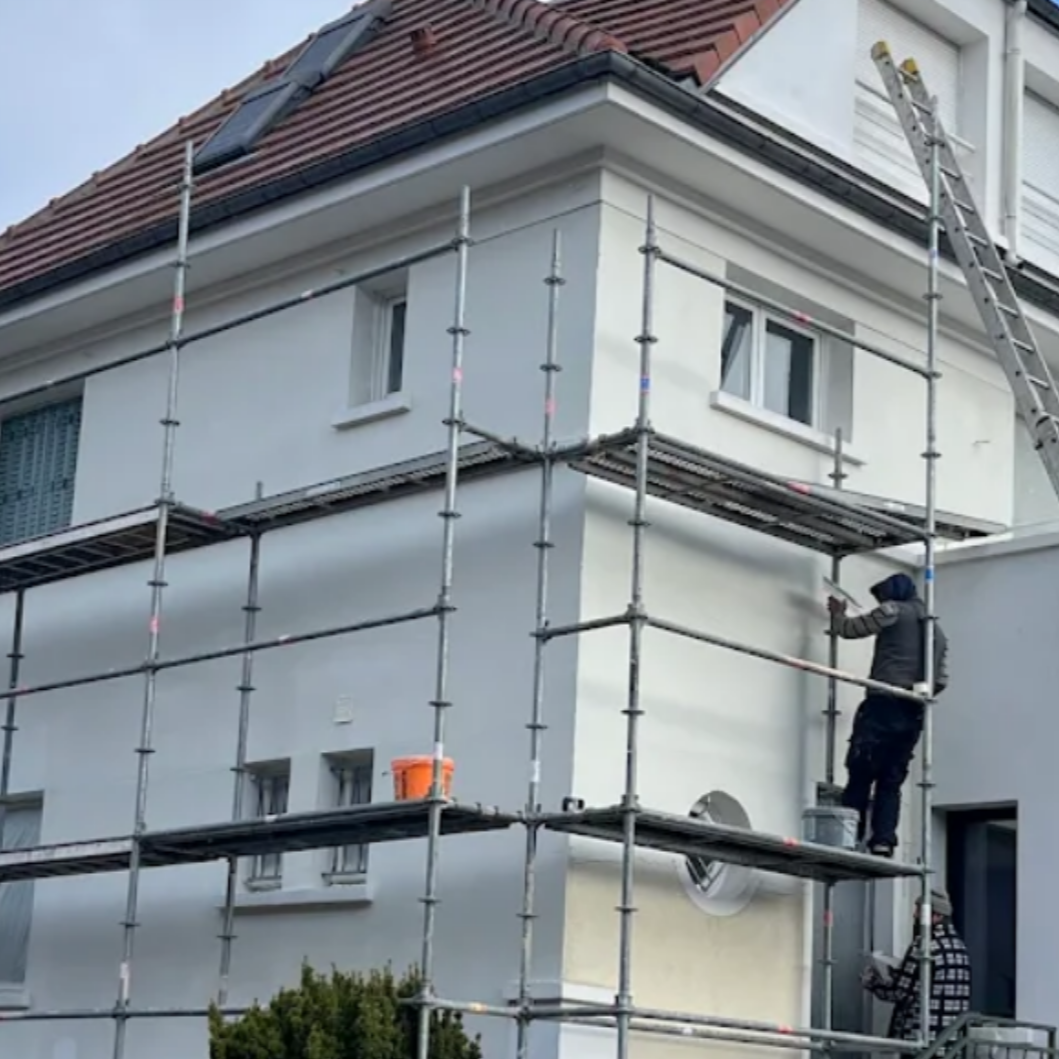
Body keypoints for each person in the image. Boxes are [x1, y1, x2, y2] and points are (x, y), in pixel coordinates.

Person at [827, 572, 948, 857]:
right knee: (891, 779)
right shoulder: (937, 632)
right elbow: (941, 681)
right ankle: (882, 841)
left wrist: (838, 615)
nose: (880, 602)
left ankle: (847, 837)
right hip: (914, 710)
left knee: (861, 771)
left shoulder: (892, 610)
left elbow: (851, 629)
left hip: (883, 702)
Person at [861, 890, 971, 1041]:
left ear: (937, 916)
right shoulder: (960, 948)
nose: (914, 915)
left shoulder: (924, 946)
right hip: (950, 1038)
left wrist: (873, 982)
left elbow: (901, 993)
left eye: (920, 911)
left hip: (920, 1035)